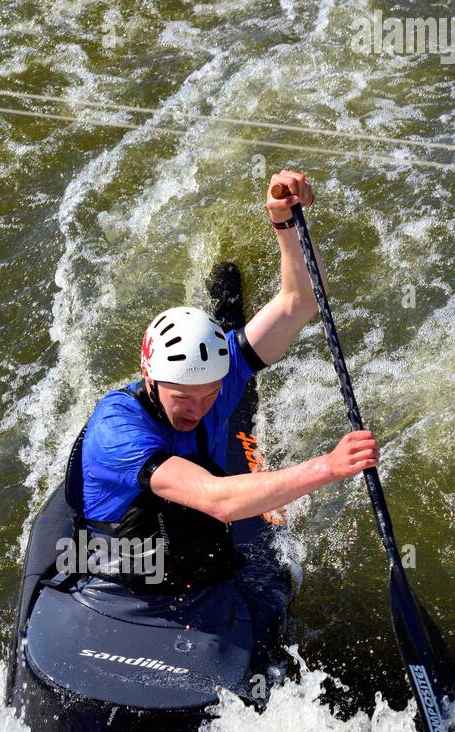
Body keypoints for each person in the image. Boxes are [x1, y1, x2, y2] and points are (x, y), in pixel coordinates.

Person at [65, 169, 380, 595]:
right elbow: (219, 500)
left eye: (210, 394)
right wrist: (329, 466)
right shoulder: (116, 429)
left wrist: (285, 223)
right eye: (183, 398)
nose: (198, 408)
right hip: (119, 576)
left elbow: (301, 303)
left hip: (192, 550)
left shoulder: (220, 371)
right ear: (150, 378)